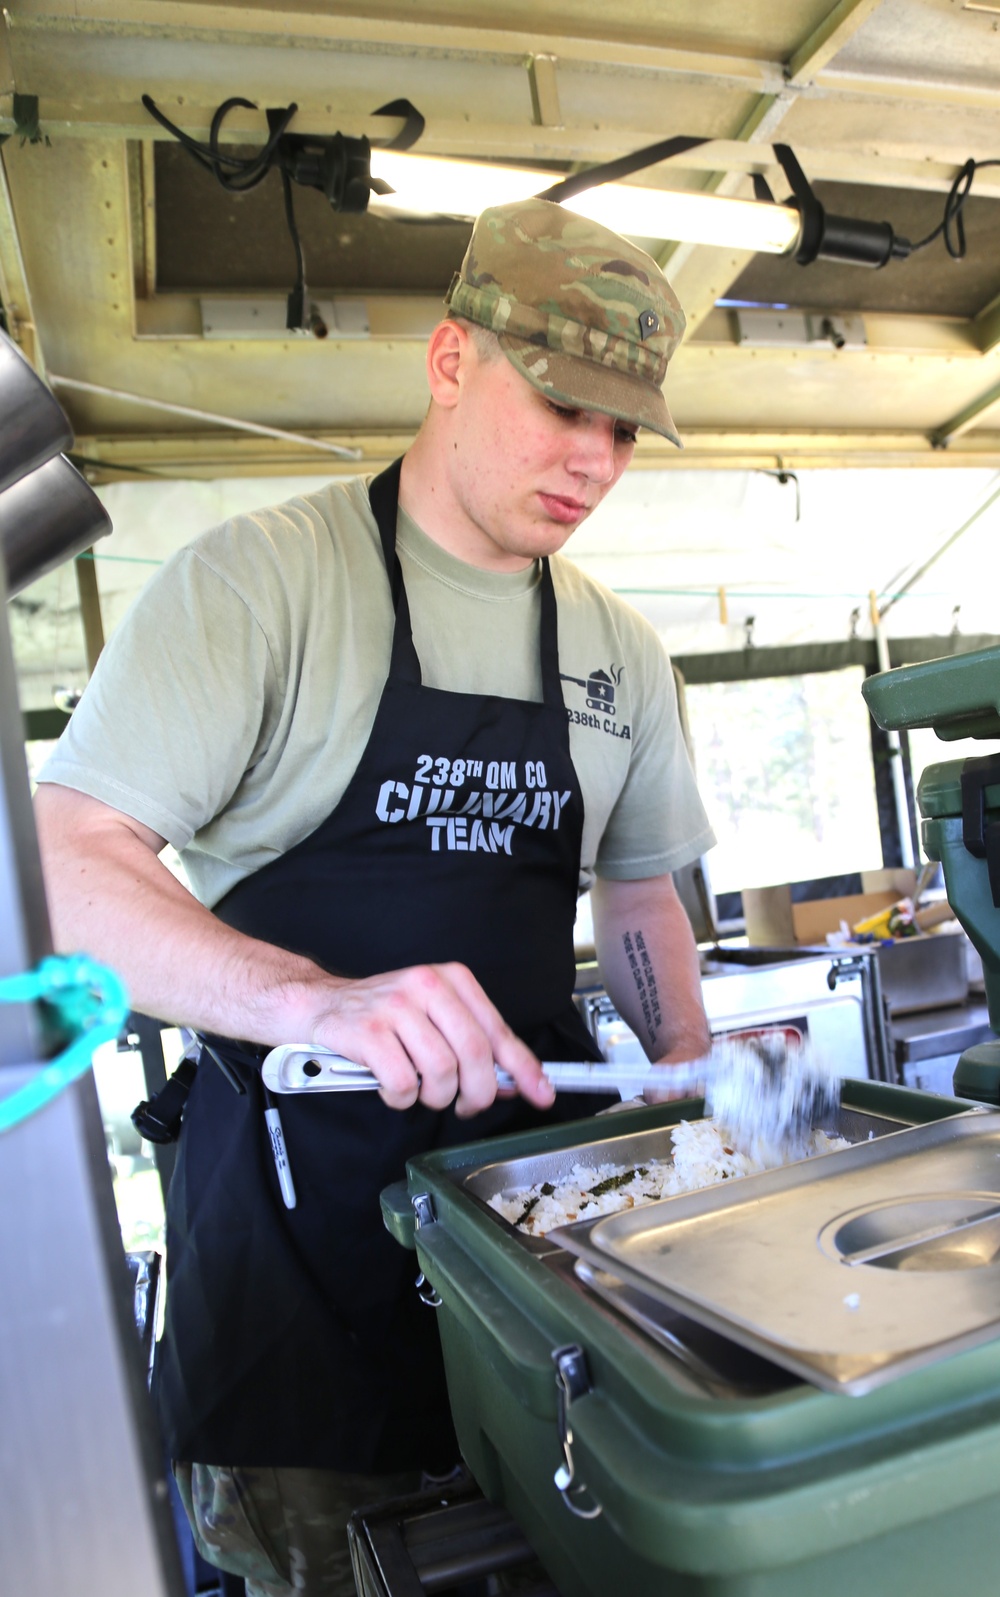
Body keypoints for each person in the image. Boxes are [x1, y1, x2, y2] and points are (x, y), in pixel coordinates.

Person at [33, 197, 715, 1596]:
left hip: (542, 1269)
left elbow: (640, 898)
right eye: (563, 405)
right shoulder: (264, 586)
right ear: (452, 359)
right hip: (298, 1278)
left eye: (627, 427)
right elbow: (62, 863)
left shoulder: (621, 653)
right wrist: (320, 1000)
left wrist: (702, 1078)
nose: (595, 460)